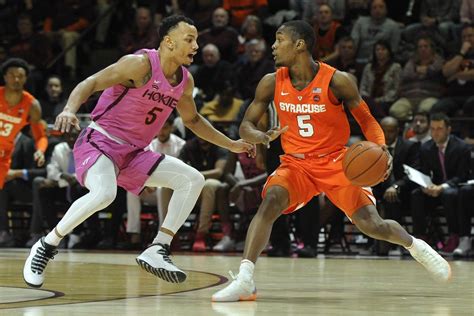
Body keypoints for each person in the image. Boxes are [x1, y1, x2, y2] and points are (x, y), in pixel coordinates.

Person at [211, 20, 451, 302]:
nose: (273, 46)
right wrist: (261, 135)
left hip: (337, 162)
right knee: (270, 202)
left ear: (299, 44)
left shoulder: (338, 80)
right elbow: (245, 125)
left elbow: (368, 121)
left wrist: (381, 148)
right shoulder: (271, 81)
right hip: (297, 164)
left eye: (279, 39)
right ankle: (245, 279)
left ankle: (416, 246)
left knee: (371, 224)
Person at [23, 15, 254, 289]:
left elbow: (193, 121)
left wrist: (231, 144)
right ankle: (47, 245)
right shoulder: (140, 64)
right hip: (101, 140)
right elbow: (91, 82)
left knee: (193, 180)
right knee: (105, 193)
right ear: (168, 41)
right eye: (189, 39)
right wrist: (69, 110)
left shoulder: (185, 82)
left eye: (197, 40)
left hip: (135, 153)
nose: (195, 46)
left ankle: (158, 248)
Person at [0, 58, 47, 189]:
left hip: (3, 155)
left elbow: (40, 136)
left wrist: (40, 151)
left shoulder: (32, 105)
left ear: (25, 79)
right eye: (12, 75)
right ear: (5, 77)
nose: (16, 80)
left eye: (20, 76)